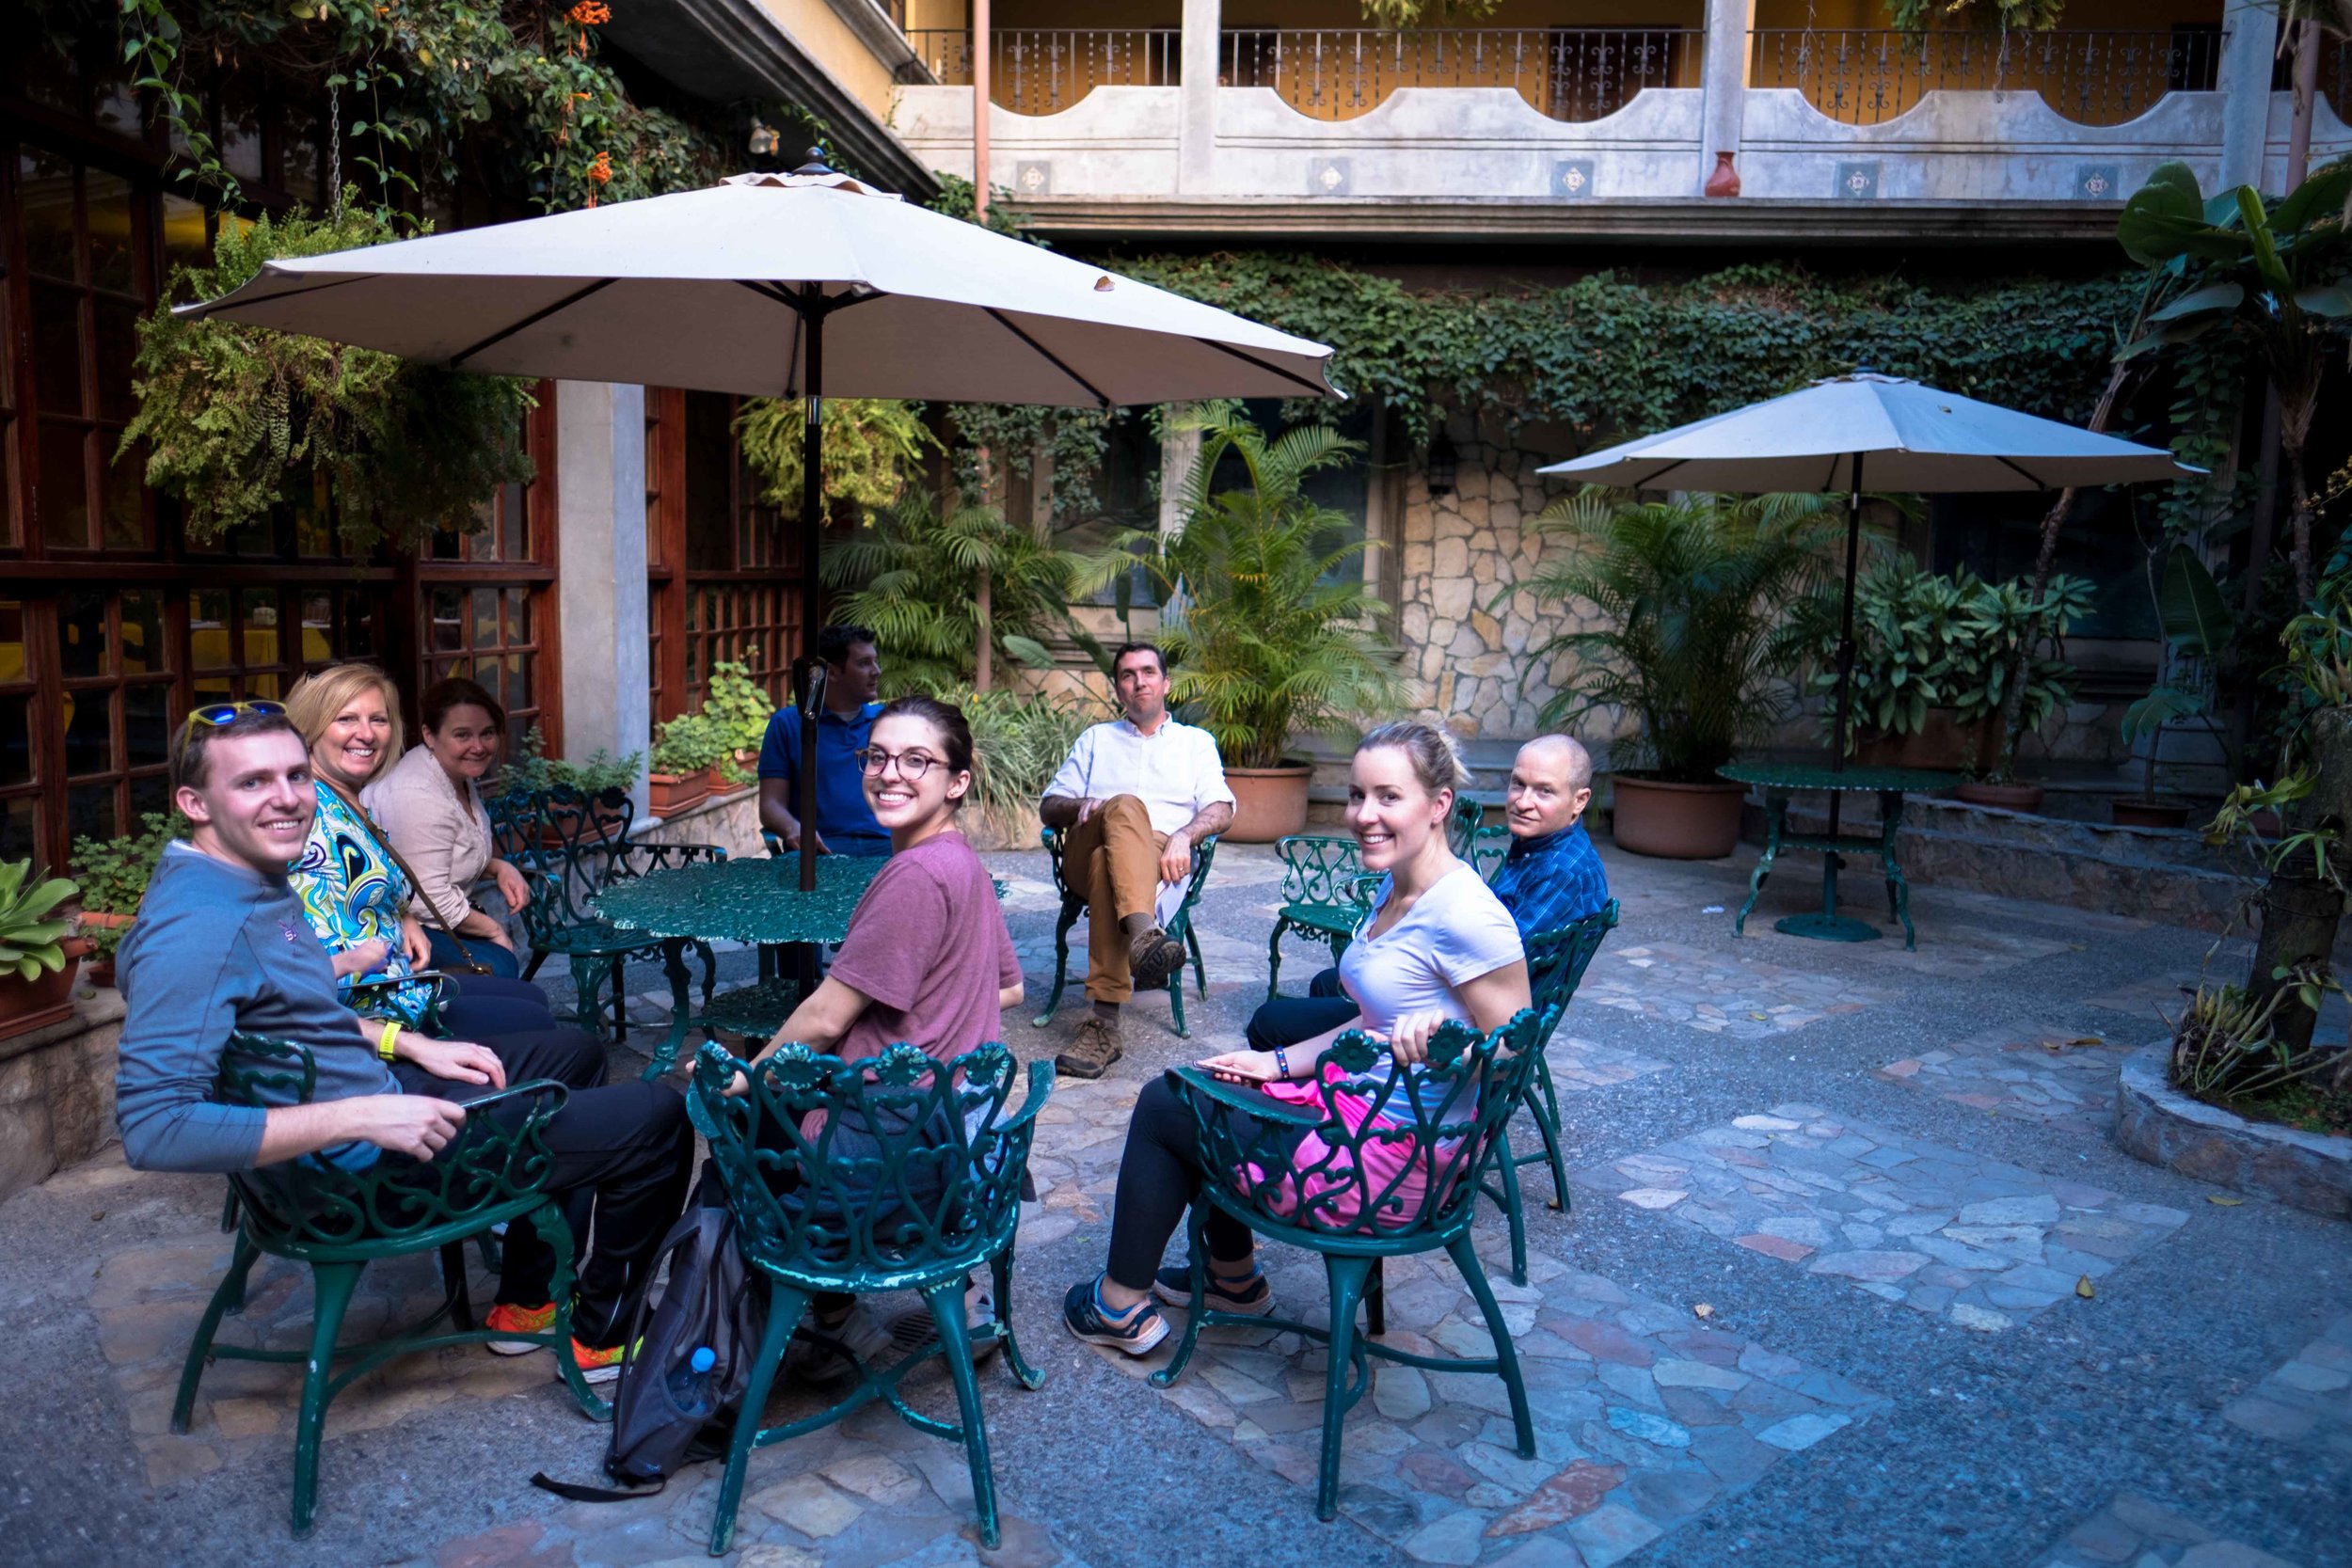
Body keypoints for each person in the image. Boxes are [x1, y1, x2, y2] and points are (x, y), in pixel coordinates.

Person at [113, 704, 693, 1379]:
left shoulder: (238, 881)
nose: (287, 798)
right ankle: (603, 1338)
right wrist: (366, 1112)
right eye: (252, 782)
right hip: (364, 1177)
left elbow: (282, 1012)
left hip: (370, 1108)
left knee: (575, 1052)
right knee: (657, 1117)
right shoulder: (199, 930)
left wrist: (407, 1046)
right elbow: (154, 1127)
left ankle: (528, 1300)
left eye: (297, 776)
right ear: (195, 802)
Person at [1063, 721, 1530, 1354]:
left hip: (1384, 1165)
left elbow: (1516, 1047)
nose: (1364, 814)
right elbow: (1375, 1020)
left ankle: (1117, 1303)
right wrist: (1275, 1062)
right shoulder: (1401, 884)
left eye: (1388, 797)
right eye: (1359, 795)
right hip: (1358, 1118)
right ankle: (1234, 1279)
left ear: (1439, 804)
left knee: (1162, 1102)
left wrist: (1457, 1040)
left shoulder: (1466, 912)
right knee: (1228, 1079)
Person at [739, 694, 1024, 1370]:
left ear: (957, 780)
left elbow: (826, 1016)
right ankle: (907, 1307)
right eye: (878, 756)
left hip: (890, 1148)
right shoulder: (962, 862)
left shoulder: (916, 876)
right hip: (960, 1129)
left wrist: (746, 1080)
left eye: (916, 760)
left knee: (734, 1132)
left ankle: (796, 1329)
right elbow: (1007, 985)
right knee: (768, 1093)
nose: (890, 773)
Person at [282, 662, 589, 1045]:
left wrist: (404, 916)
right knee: (556, 1033)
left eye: (378, 719)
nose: (366, 733)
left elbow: (373, 882)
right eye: (346, 719)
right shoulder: (300, 810)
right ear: (311, 727)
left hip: (400, 982)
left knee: (534, 1002)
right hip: (373, 1013)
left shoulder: (352, 803)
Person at [1247, 733, 1610, 1054]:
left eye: (1544, 791)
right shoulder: (1538, 846)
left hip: (1458, 1020)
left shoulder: (1563, 870)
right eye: (1518, 784)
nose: (1523, 801)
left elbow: (1498, 958)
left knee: (1272, 1021)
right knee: (1329, 982)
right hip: (1452, 996)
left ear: (1579, 801)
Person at [1039, 642, 1235, 1081]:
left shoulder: (1195, 743)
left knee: (1111, 864)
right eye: (1128, 674)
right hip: (1086, 843)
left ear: (1165, 684)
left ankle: (1103, 1024)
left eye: (1148, 672)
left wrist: (1185, 835)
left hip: (1161, 856)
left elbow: (1222, 808)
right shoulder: (1096, 739)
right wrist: (1087, 805)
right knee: (1124, 806)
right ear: (1118, 689)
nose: (1139, 681)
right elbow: (1049, 806)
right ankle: (1145, 934)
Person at [366, 677, 536, 980]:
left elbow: (443, 854)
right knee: (501, 967)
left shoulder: (453, 772)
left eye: (487, 733)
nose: (478, 746)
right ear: (430, 736)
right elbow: (426, 897)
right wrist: (494, 930)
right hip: (398, 929)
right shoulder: (416, 793)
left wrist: (497, 867)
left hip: (432, 921)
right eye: (462, 735)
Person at [759, 624, 890, 858]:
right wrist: (793, 828)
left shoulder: (888, 721)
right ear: (831, 672)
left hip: (885, 845)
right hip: (819, 849)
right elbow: (770, 805)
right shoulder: (789, 724)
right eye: (864, 663)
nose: (876, 671)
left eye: (875, 661)